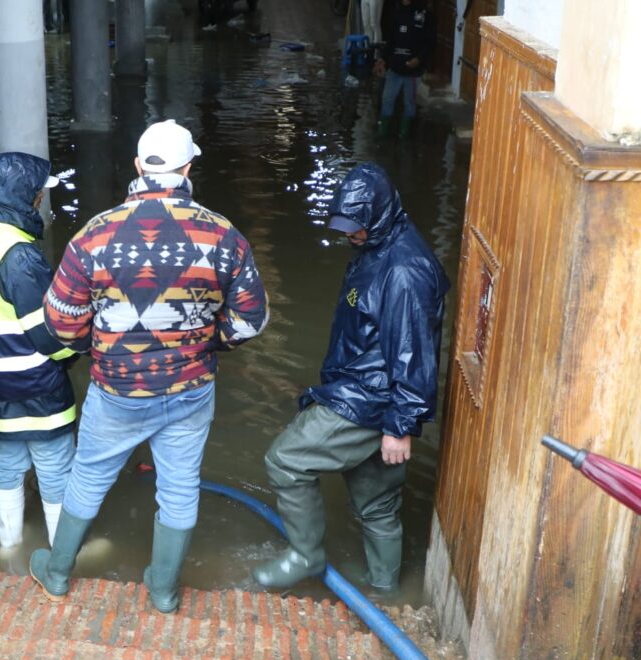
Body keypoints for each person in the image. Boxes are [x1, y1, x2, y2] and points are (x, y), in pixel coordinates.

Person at [30, 120, 269, 613]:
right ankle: (161, 591)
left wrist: (93, 347)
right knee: (179, 489)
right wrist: (206, 343)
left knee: (88, 477)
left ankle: (56, 573)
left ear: (138, 167)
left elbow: (61, 320)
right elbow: (252, 320)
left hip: (115, 389)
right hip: (190, 389)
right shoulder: (223, 235)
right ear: (187, 168)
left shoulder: (94, 235)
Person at [253, 163, 448, 593]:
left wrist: (401, 425)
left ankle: (306, 555)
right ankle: (385, 596)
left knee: (286, 460)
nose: (350, 235)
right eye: (346, 226)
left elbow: (413, 351)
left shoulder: (404, 271)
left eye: (357, 227)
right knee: (378, 506)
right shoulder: (380, 247)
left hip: (367, 398)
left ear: (379, 214)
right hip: (367, 389)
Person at [0, 152, 77, 549]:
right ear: (25, 197)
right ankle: (64, 554)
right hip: (33, 384)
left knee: (8, 462)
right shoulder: (19, 255)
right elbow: (48, 334)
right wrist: (79, 352)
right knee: (56, 467)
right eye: (39, 194)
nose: (41, 200)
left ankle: (8, 546)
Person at [373, 0, 435, 139]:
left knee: (409, 103)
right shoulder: (397, 12)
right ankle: (383, 135)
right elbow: (391, 40)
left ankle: (404, 135)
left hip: (413, 71)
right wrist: (383, 59)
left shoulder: (425, 15)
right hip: (395, 67)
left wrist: (418, 59)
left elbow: (430, 42)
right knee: (387, 99)